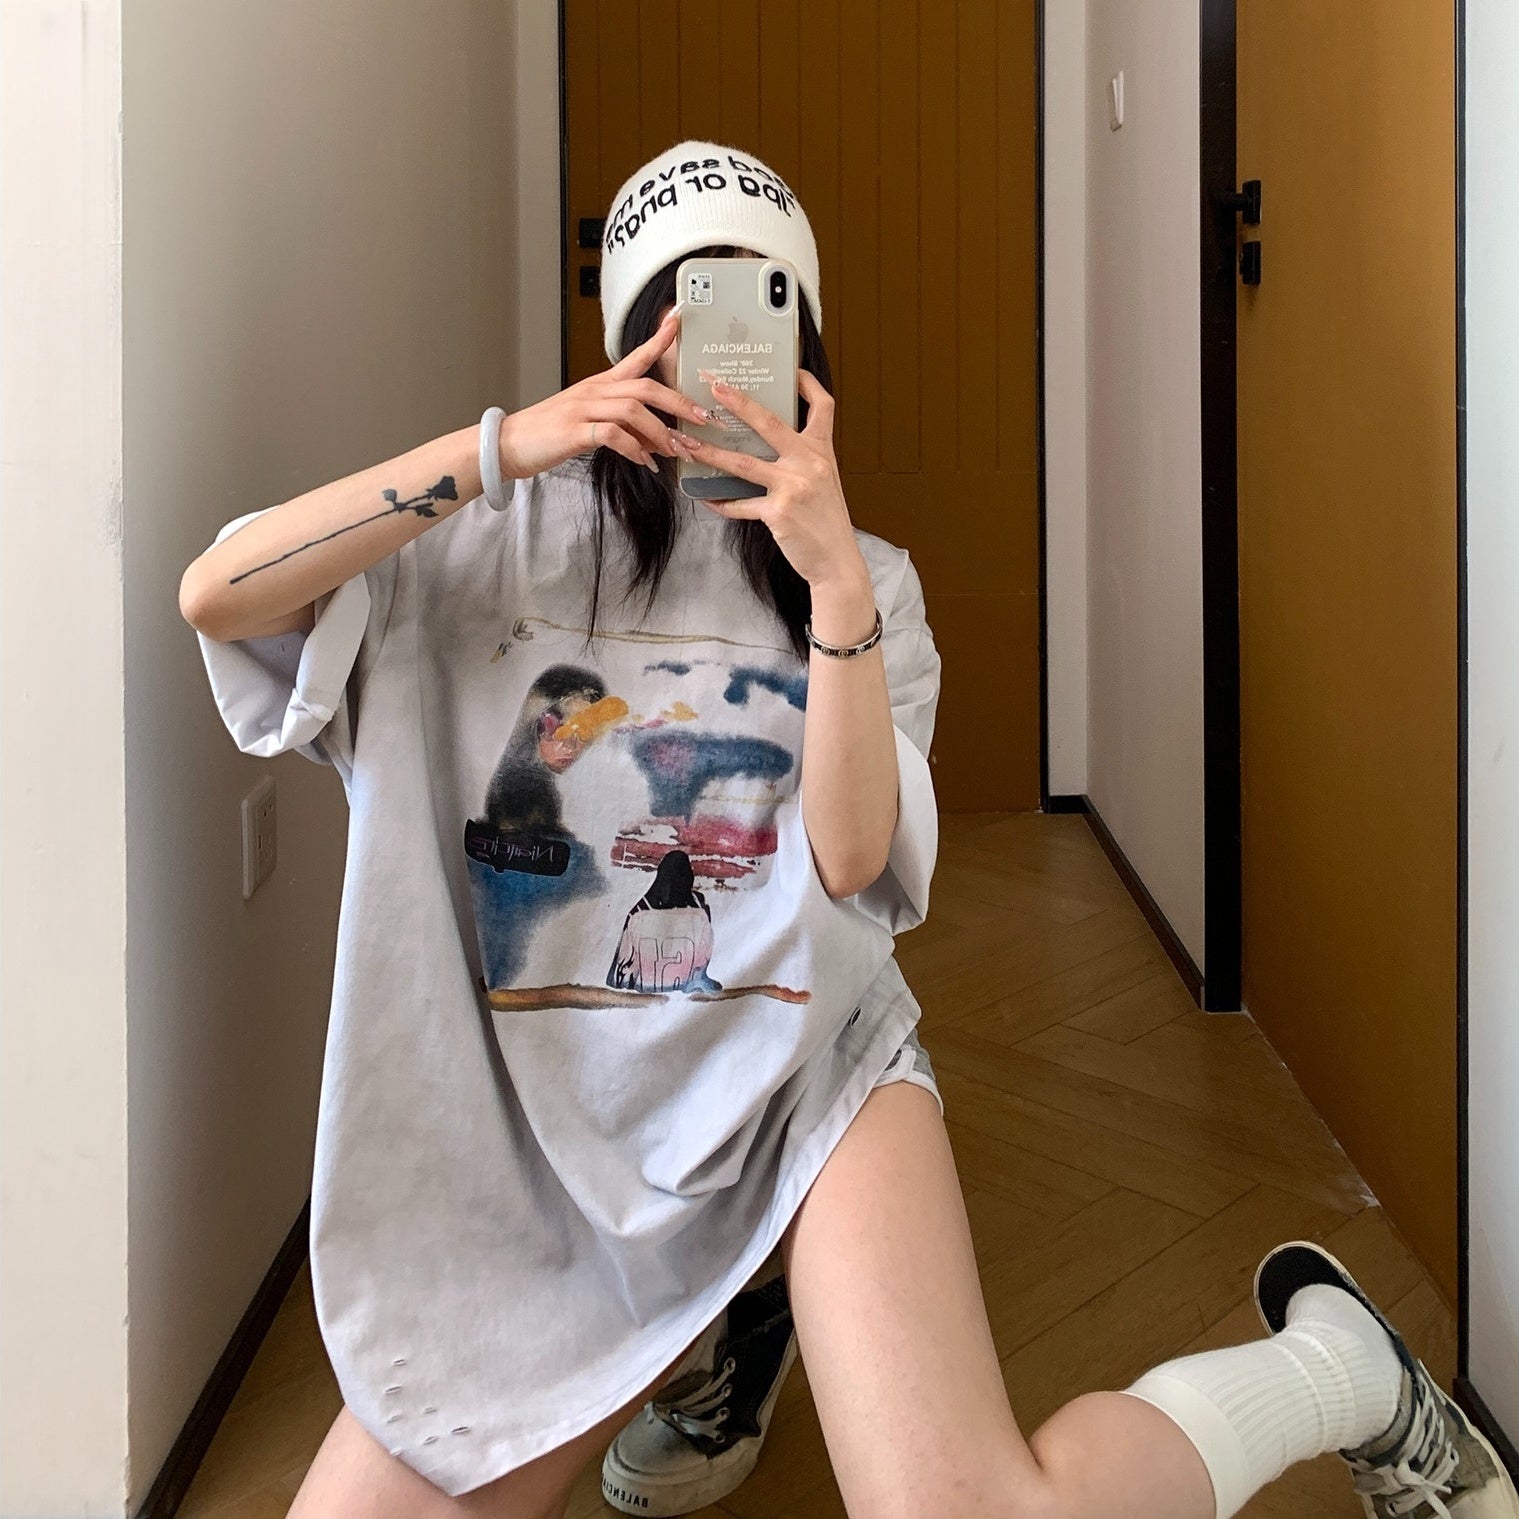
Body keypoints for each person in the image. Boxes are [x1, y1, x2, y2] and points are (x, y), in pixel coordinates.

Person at [179, 139, 1516, 1519]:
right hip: (535, 1120)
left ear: (805, 350)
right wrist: (503, 448)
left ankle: (1342, 1373)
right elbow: (219, 594)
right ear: (625, 345)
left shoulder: (867, 583)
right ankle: (737, 1327)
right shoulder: (476, 545)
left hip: (798, 1074)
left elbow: (854, 857)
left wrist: (830, 584)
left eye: (758, 320)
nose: (715, 368)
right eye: (674, 324)